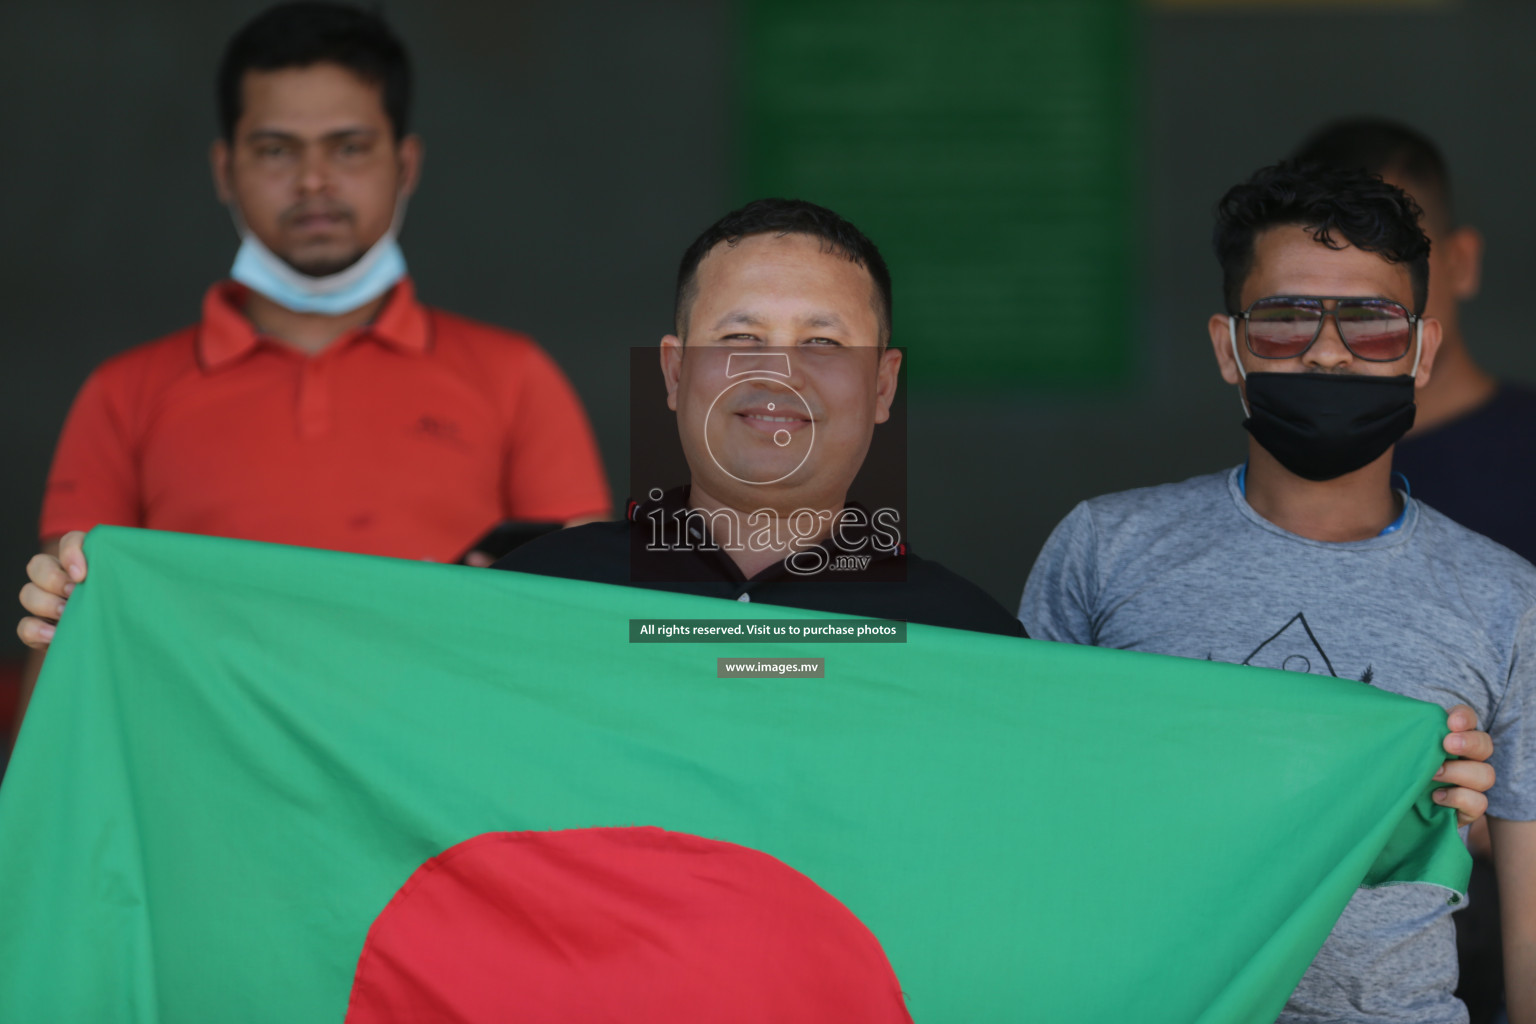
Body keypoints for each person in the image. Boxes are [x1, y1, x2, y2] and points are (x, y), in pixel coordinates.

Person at [1019, 161, 1534, 1023]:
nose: (1326, 350)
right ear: (1228, 347)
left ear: (1422, 351)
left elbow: (1527, 926)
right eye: (1286, 318)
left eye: (1370, 323)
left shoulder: (1506, 598)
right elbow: (1024, 832)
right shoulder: (1104, 549)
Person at [12, 3, 609, 733]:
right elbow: (63, 638)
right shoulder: (125, 393)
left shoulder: (514, 376)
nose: (314, 181)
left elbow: (587, 634)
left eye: (349, 147)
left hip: (442, 796)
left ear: (406, 163)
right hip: (206, 797)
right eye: (276, 150)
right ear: (224, 169)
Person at [493, 198, 1026, 635]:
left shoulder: (971, 637)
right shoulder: (533, 595)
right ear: (674, 373)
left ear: (882, 385)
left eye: (823, 340)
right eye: (741, 337)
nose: (777, 373)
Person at [1294, 118, 1529, 1024]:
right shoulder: (1254, 489)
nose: (1347, 317)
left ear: (1456, 265)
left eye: (1396, 257)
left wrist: (1485, 809)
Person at [1294, 118, 1536, 568]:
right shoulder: (1279, 472)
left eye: (1391, 255)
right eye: (1317, 279)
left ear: (1460, 262)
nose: (1355, 302)